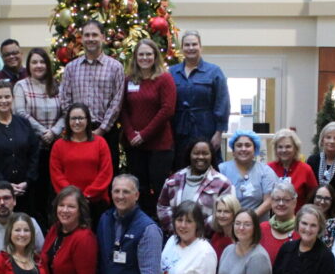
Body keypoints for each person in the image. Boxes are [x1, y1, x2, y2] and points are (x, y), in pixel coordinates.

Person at [55, 20, 125, 170]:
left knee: (108, 175)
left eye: (94, 35)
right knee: (78, 173)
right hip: (77, 132)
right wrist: (76, 125)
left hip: (106, 131)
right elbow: (65, 99)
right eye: (87, 35)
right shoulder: (71, 68)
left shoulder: (115, 67)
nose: (90, 38)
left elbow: (117, 102)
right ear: (82, 39)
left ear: (103, 37)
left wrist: (102, 130)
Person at [120, 38, 176, 215]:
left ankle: (161, 227)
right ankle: (142, 226)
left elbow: (167, 110)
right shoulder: (129, 80)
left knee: (160, 189)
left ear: (155, 56)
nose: (145, 58)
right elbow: (122, 108)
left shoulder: (164, 79)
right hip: (135, 146)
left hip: (160, 146)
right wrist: (130, 134)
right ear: (135, 57)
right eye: (141, 54)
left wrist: (143, 135)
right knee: (139, 189)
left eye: (148, 54)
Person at [0, 80, 41, 216]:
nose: (3, 101)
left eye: (7, 97)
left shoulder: (24, 123)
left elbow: (34, 153)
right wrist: (5, 184)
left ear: (13, 98)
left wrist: (27, 181)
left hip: (24, 192)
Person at [13, 48, 63, 226]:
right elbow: (20, 113)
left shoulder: (56, 85)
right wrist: (43, 132)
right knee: (37, 194)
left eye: (42, 62)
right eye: (34, 62)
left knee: (55, 193)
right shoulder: (22, 86)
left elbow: (66, 113)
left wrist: (54, 132)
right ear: (28, 65)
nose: (38, 66)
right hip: (32, 150)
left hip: (56, 148)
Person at [169, 30, 229, 167]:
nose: (191, 48)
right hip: (179, 129)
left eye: (194, 44)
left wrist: (219, 133)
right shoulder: (172, 72)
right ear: (182, 48)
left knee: (207, 166)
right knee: (181, 166)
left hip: (206, 128)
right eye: (187, 45)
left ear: (200, 47)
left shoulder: (214, 71)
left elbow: (222, 102)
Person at [49, 102, 114, 224]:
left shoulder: (100, 143)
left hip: (96, 201)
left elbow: (105, 172)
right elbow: (56, 174)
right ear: (68, 121)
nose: (77, 122)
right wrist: (73, 197)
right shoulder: (59, 145)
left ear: (88, 120)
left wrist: (87, 195)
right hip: (68, 204)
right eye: (73, 118)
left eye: (80, 118)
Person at [157, 139, 233, 234]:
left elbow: (224, 213)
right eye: (196, 153)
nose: (200, 157)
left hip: (207, 240)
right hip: (176, 237)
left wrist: (196, 231)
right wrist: (177, 229)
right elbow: (163, 207)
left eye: (205, 153)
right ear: (189, 155)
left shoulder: (223, 183)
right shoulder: (173, 179)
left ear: (211, 156)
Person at [219, 130, 278, 219]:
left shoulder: (265, 171)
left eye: (248, 145)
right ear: (233, 151)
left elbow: (269, 201)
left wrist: (249, 218)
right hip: (228, 224)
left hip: (257, 224)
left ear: (255, 149)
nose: (243, 149)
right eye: (239, 145)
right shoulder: (222, 169)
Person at [267, 128, 317, 211]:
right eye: (280, 147)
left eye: (288, 147)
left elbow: (313, 197)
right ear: (275, 149)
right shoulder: (268, 168)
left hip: (298, 219)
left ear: (295, 148)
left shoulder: (305, 169)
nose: (284, 150)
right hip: (273, 219)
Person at [259, 181, 300, 264]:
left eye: (286, 200)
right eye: (277, 199)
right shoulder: (262, 228)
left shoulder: (301, 229)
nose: (281, 203)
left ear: (294, 202)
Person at [209, 193, 241, 261]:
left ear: (235, 213)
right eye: (219, 211)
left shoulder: (241, 239)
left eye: (226, 211)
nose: (221, 215)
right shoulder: (216, 236)